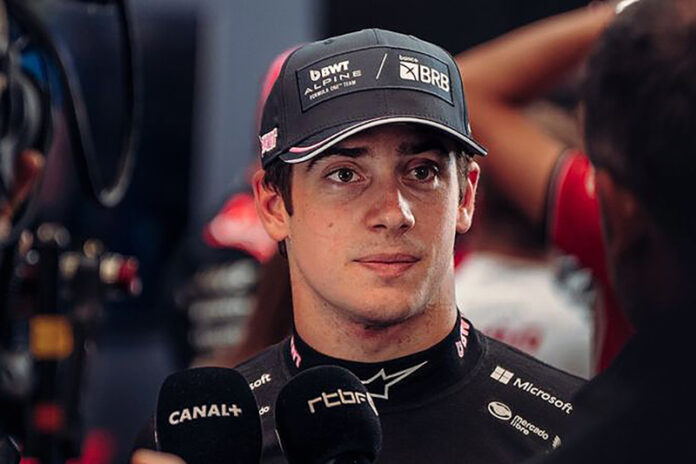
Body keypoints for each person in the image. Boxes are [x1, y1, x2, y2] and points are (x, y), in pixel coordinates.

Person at [133, 29, 584, 463]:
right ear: (273, 206)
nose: (393, 212)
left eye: (422, 171)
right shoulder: (191, 446)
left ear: (465, 197)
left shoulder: (576, 432)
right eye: (345, 174)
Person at [460, 0, 696, 461]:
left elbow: (462, 90)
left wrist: (637, 19)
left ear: (621, 212)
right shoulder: (630, 204)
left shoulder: (620, 210)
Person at [455, 3, 633, 373]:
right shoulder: (576, 324)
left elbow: (459, 91)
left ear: (473, 194)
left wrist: (631, 14)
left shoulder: (622, 220)